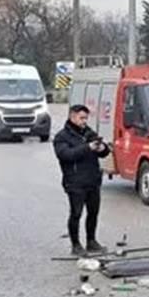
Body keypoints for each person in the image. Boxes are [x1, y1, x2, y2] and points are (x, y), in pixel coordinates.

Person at [52, 105, 111, 256]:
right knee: (76, 213)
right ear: (72, 117)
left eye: (86, 118)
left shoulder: (88, 133)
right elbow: (66, 155)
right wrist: (87, 148)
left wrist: (101, 148)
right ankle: (76, 244)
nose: (84, 121)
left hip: (92, 180)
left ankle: (91, 241)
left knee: (93, 212)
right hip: (75, 182)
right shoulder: (62, 137)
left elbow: (104, 153)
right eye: (81, 118)